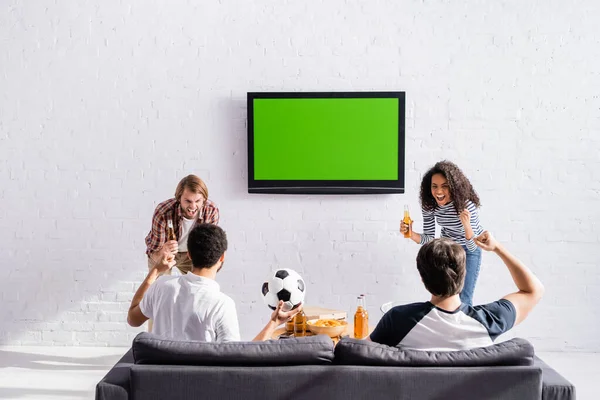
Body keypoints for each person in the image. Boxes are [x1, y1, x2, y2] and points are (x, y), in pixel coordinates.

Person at [367, 232, 544, 350]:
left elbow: (359, 353)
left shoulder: (397, 319)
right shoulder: (491, 320)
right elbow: (533, 291)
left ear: (423, 278)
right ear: (463, 274)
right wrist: (497, 248)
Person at [128, 223, 301, 342]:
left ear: (188, 254)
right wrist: (274, 323)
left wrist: (156, 271)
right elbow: (240, 359)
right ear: (222, 257)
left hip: (160, 385)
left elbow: (132, 319)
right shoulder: (221, 305)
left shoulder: (161, 286)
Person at [401, 160, 484, 305]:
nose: (438, 192)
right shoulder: (430, 205)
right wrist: (410, 233)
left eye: (444, 186)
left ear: (454, 187)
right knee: (443, 296)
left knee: (463, 299)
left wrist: (467, 227)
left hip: (469, 250)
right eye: (435, 186)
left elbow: (473, 247)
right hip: (447, 250)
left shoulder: (467, 206)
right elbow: (429, 238)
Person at [145, 175, 220, 275]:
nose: (193, 206)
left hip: (192, 254)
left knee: (199, 287)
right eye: (188, 201)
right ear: (179, 198)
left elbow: (208, 247)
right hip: (165, 252)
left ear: (204, 199)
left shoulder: (211, 211)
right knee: (159, 288)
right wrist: (163, 252)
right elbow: (155, 252)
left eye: (198, 201)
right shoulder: (163, 212)